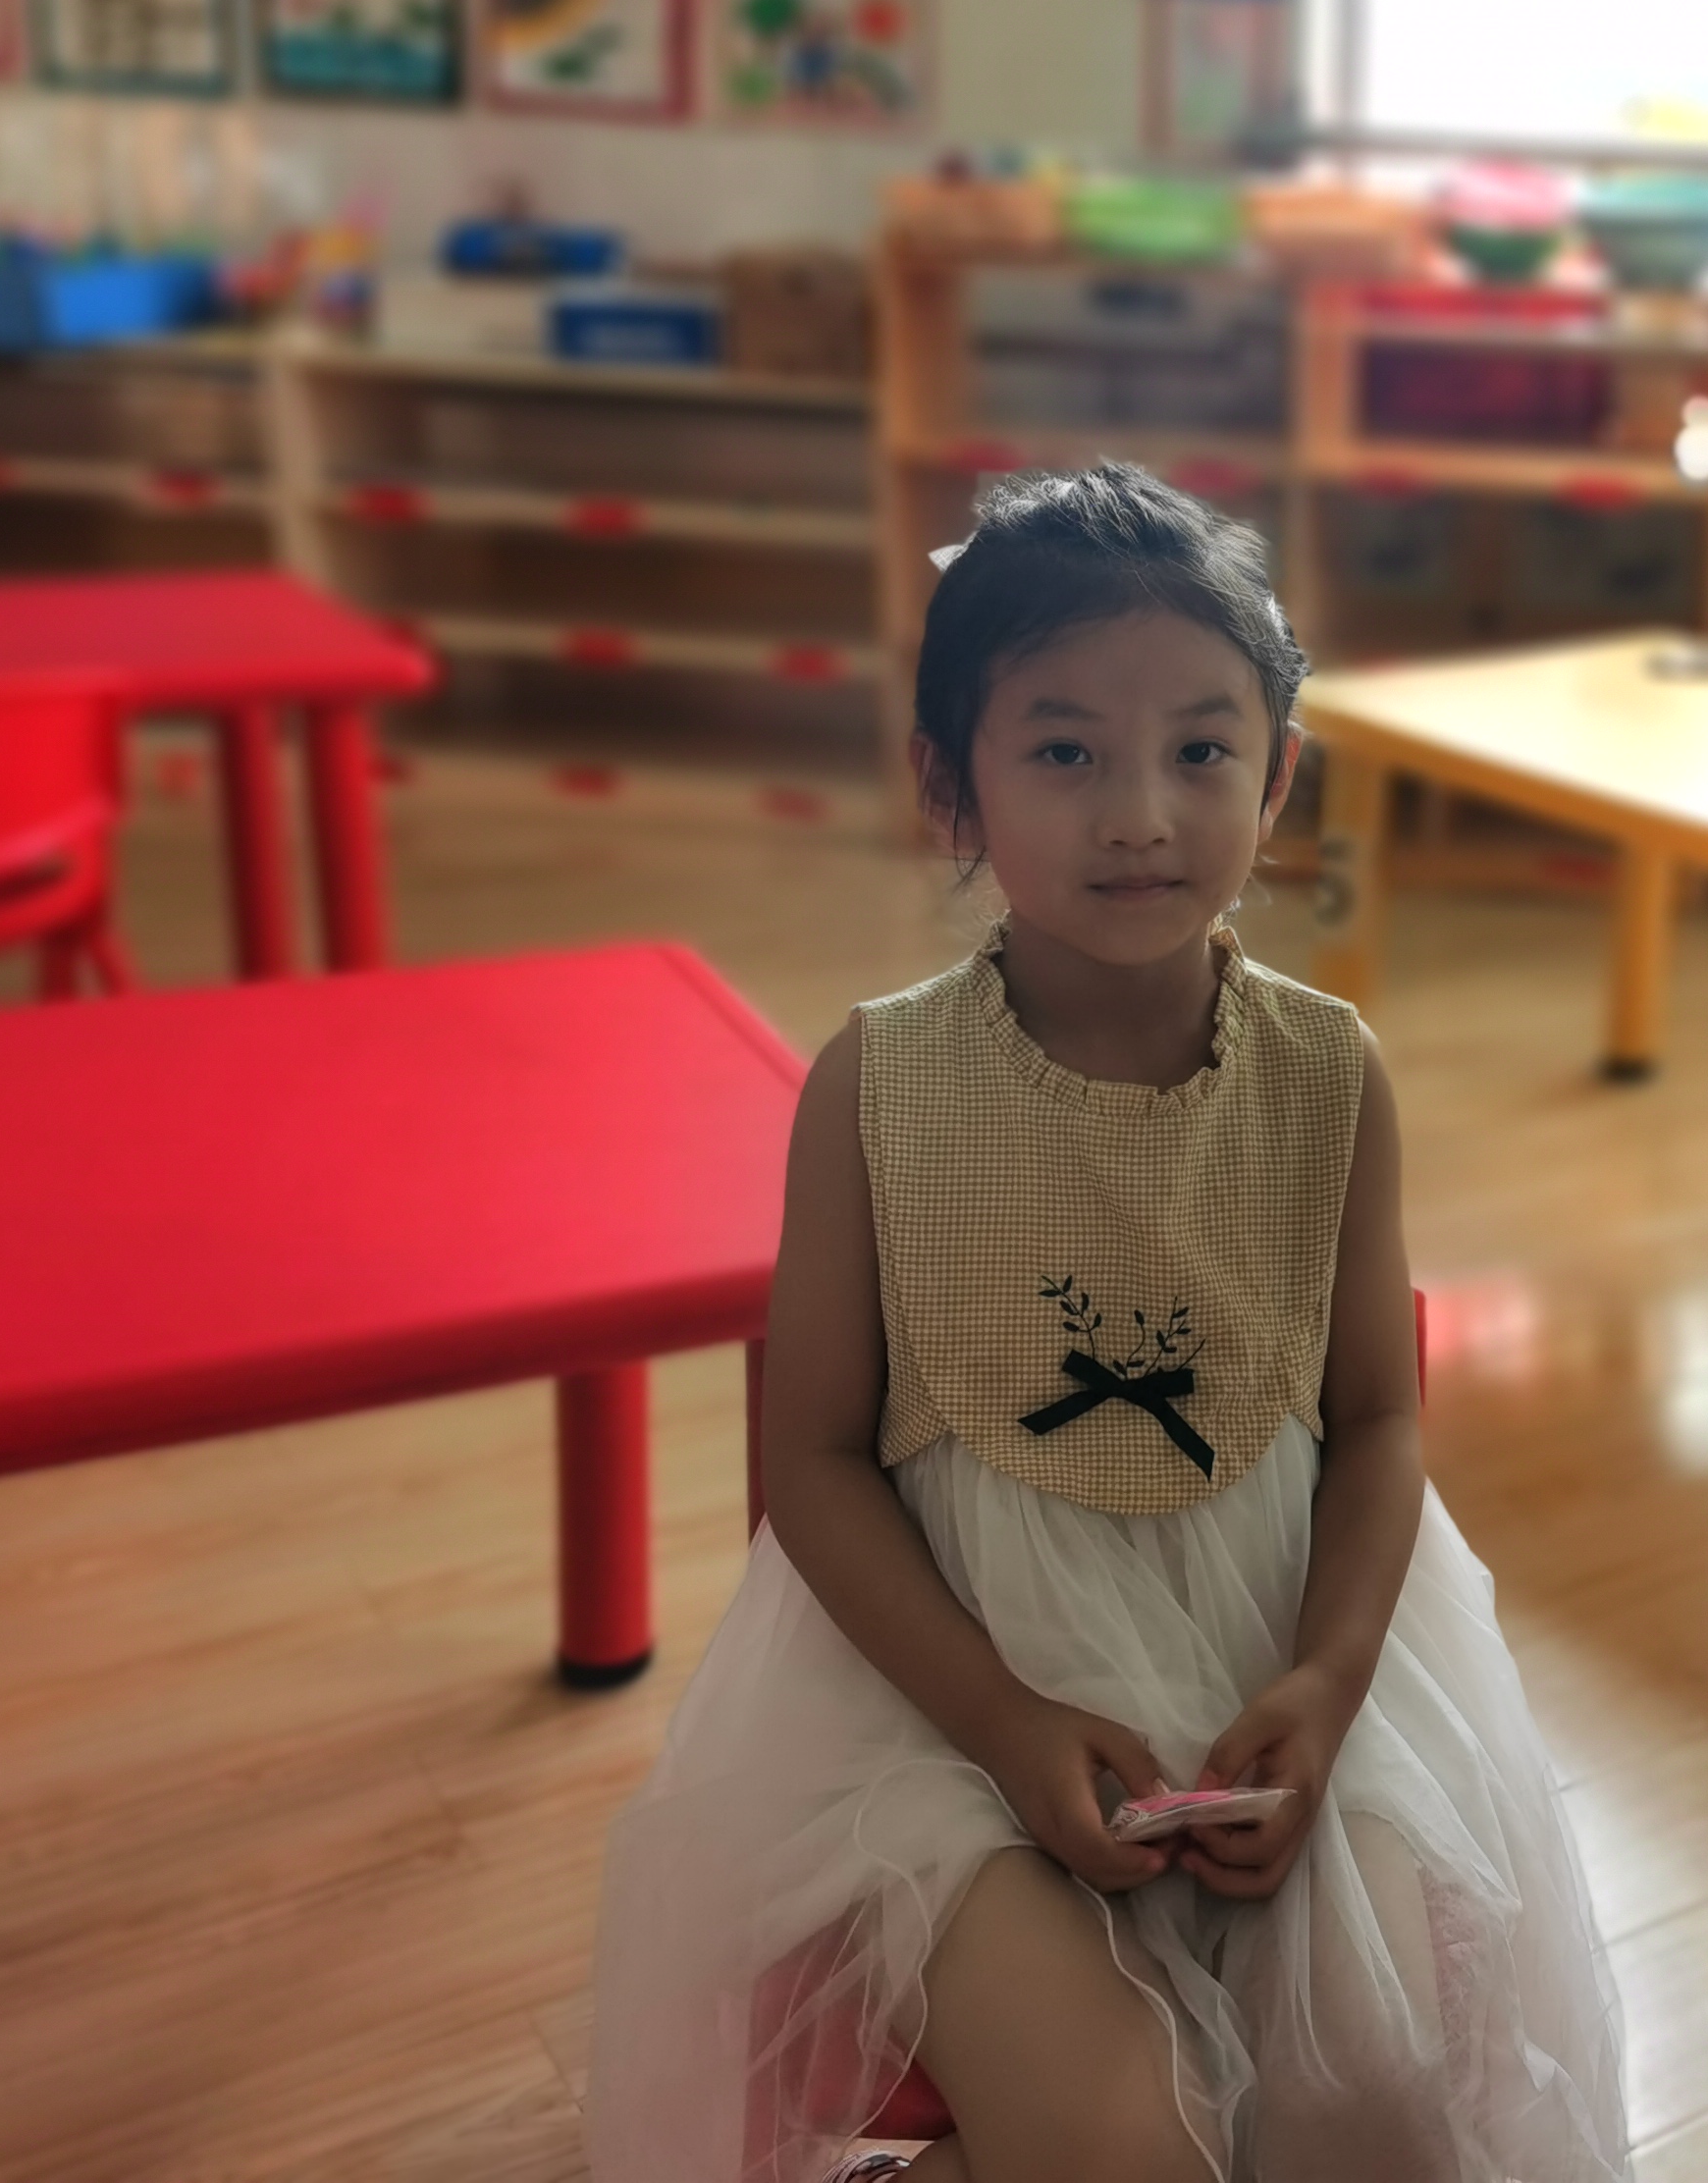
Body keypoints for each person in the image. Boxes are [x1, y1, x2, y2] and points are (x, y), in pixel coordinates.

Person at [587, 466, 1629, 2183]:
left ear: (1276, 778)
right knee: (1117, 2138)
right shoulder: (878, 1084)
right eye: (1065, 752)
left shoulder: (1330, 1075)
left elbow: (1378, 1419)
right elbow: (815, 1460)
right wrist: (1002, 1723)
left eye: (1201, 751)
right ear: (950, 785)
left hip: (1281, 1662)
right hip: (946, 1701)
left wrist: (1325, 1685)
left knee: (1366, 2110)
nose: (1141, 814)